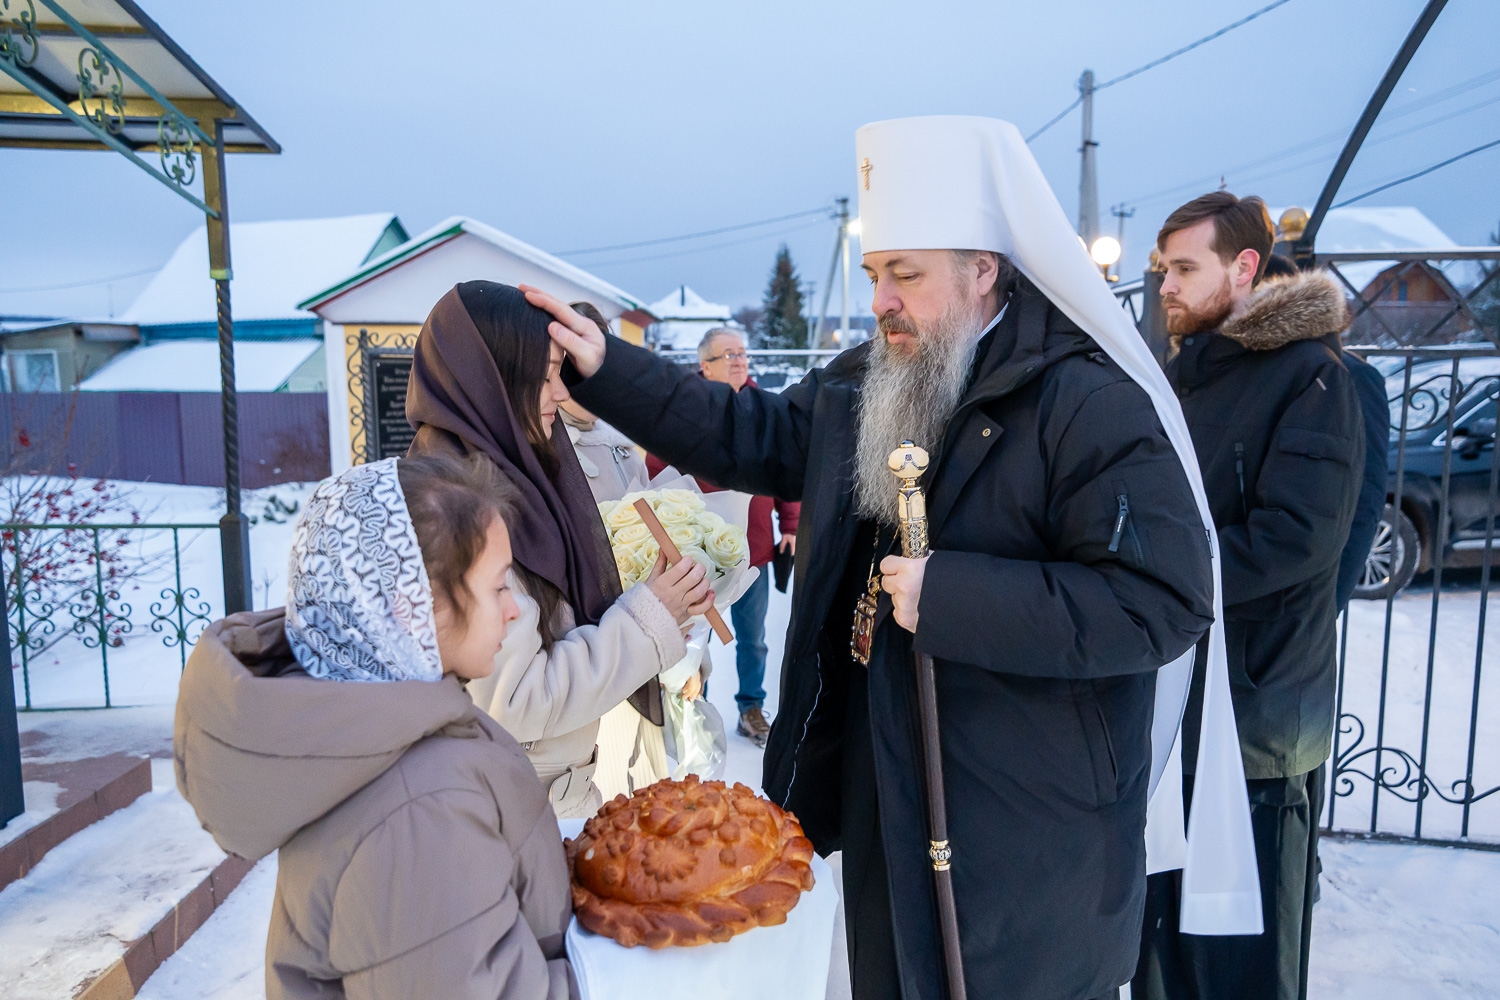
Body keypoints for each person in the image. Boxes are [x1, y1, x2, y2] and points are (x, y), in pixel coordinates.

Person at [525, 116, 1261, 1000]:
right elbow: (746, 433)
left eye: (905, 275)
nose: (880, 301)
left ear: (983, 270)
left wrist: (952, 596)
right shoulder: (870, 375)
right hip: (886, 795)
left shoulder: (1086, 401)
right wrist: (610, 368)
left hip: (1028, 834)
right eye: (876, 274)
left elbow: (1163, 602)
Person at [174, 455, 575, 999]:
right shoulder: (420, 806)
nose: (514, 611)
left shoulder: (383, 728)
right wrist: (633, 979)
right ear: (417, 609)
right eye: (499, 586)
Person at [1135, 193, 1365, 1000]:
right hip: (1175, 709)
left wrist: (1149, 577)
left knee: (1242, 964)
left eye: (1184, 268)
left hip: (1258, 725)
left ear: (1243, 269)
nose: (1165, 285)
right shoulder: (1183, 374)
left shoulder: (1312, 377)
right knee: (1166, 950)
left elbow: (1294, 542)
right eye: (1164, 268)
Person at [405, 280, 714, 817]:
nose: (559, 393)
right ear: (494, 379)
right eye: (544, 375)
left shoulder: (511, 467)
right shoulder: (456, 505)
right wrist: (650, 616)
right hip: (508, 811)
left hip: (543, 795)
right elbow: (517, 700)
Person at [643, 325, 801, 748]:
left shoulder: (763, 409)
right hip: (698, 556)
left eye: (742, 354)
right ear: (704, 365)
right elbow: (656, 473)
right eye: (728, 355)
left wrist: (790, 525)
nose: (738, 361)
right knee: (696, 638)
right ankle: (695, 712)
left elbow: (786, 468)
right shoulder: (682, 411)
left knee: (754, 638)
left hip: (753, 550)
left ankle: (751, 709)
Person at [561, 300, 679, 801]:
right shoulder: (538, 447)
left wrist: (685, 657)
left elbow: (650, 532)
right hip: (583, 650)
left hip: (647, 636)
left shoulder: (622, 442)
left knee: (645, 790)